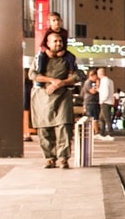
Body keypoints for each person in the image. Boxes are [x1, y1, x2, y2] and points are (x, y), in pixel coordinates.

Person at [29, 30, 80, 168]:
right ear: (47, 43)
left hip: (63, 96)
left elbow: (77, 76)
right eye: (55, 41)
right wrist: (51, 80)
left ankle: (64, 158)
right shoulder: (40, 58)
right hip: (42, 97)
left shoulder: (69, 58)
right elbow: (32, 74)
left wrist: (61, 83)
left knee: (64, 126)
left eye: (60, 41)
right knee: (44, 128)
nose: (58, 44)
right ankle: (49, 158)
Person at [97, 66, 116, 140]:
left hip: (105, 102)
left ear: (99, 73)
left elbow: (106, 92)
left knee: (106, 118)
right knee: (102, 118)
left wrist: (102, 100)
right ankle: (102, 133)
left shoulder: (104, 81)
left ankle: (110, 134)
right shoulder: (109, 80)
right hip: (109, 101)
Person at [82, 68, 100, 135]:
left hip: (94, 102)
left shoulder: (92, 83)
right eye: (96, 76)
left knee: (96, 117)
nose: (97, 78)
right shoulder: (88, 82)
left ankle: (95, 130)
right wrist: (97, 85)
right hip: (90, 102)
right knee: (92, 117)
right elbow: (92, 91)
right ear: (93, 75)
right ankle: (95, 131)